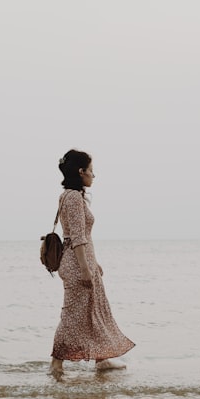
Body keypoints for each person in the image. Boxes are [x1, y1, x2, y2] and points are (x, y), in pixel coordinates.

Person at [50, 149, 135, 373]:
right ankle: (56, 363)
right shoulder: (74, 198)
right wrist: (86, 269)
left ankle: (102, 358)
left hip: (80, 261)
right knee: (72, 315)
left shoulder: (67, 195)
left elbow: (79, 236)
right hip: (77, 264)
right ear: (81, 172)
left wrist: (93, 263)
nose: (93, 176)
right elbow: (77, 238)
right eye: (91, 171)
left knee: (94, 311)